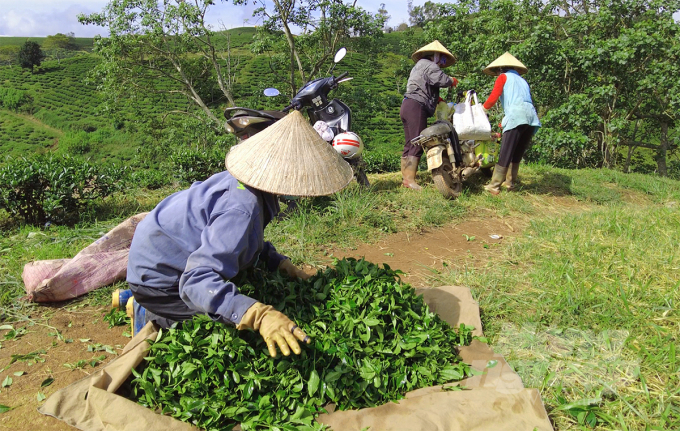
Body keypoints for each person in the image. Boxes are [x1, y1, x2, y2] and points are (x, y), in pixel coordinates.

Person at [116, 110, 354, 358]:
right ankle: (151, 311)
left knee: (243, 289)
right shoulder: (242, 208)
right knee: (233, 334)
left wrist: (278, 262)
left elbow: (243, 242)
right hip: (161, 278)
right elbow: (196, 280)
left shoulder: (246, 187)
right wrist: (259, 316)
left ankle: (140, 300)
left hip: (168, 254)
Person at [400, 40, 459, 190]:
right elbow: (440, 79)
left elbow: (422, 86)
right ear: (436, 56)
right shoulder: (430, 65)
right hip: (416, 106)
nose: (441, 64)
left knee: (410, 143)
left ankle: (406, 178)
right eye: (442, 60)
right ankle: (410, 180)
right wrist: (451, 80)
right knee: (419, 142)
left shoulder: (418, 66)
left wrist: (437, 99)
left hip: (407, 105)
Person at [481, 52, 541, 194]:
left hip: (516, 115)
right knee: (517, 151)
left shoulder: (503, 77)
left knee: (506, 151)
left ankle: (494, 185)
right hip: (531, 117)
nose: (496, 74)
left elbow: (493, 97)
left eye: (496, 71)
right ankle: (510, 183)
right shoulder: (522, 80)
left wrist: (482, 109)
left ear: (500, 69)